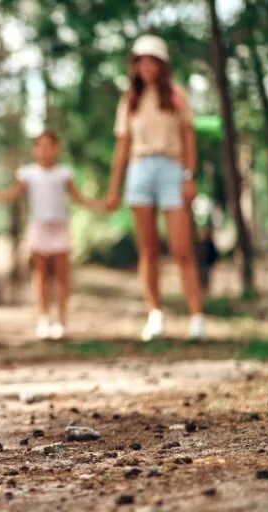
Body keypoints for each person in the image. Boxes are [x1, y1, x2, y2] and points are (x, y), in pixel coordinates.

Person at [103, 34, 205, 341]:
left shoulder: (176, 95)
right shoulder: (129, 101)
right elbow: (122, 146)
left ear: (161, 65)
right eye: (140, 62)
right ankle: (155, 314)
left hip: (171, 169)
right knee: (147, 250)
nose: (146, 67)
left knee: (181, 248)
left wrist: (189, 175)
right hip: (139, 170)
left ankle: (196, 316)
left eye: (152, 62)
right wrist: (113, 188)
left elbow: (189, 136)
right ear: (134, 66)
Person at [0, 131, 102, 340]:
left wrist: (101, 205)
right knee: (40, 275)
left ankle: (62, 320)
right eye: (42, 146)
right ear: (35, 150)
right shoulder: (28, 174)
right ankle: (44, 318)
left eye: (50, 146)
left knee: (61, 276)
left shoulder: (64, 174)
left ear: (57, 149)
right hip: (39, 228)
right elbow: (11, 194)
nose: (46, 151)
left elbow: (79, 198)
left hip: (59, 228)